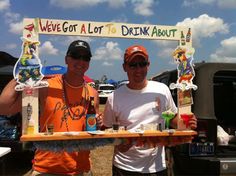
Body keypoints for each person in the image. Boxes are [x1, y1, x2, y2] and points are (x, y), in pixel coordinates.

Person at [0, 40, 100, 175]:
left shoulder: (92, 93)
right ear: (66, 59)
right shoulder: (47, 86)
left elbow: (92, 128)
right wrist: (21, 74)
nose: (80, 61)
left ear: (89, 62)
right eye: (76, 55)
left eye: (85, 57)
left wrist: (98, 124)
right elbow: (4, 108)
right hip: (46, 168)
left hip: (80, 168)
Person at [102, 45, 197, 176]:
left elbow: (172, 118)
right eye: (133, 65)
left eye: (142, 64)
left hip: (156, 167)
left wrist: (186, 123)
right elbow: (107, 129)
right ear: (125, 67)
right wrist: (117, 143)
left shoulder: (162, 90)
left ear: (148, 65)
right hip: (124, 166)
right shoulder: (114, 97)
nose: (138, 69)